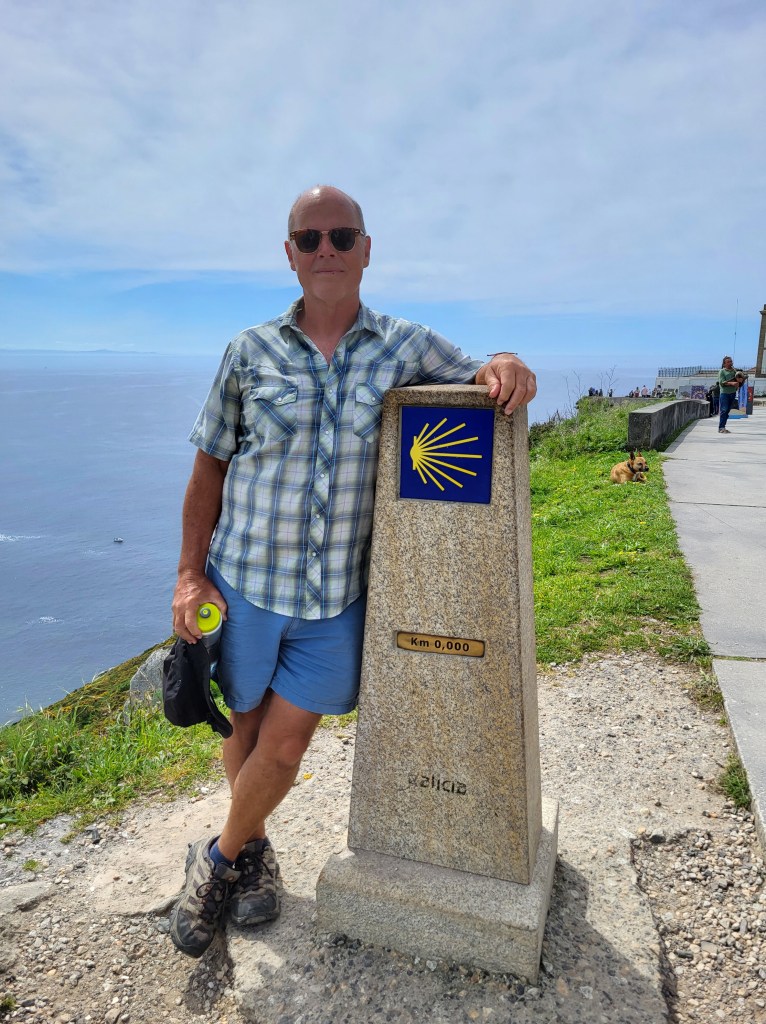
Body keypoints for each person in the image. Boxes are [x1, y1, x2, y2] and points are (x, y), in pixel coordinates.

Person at [167, 185, 537, 958]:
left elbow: (480, 369)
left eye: (341, 236)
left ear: (367, 248)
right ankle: (256, 853)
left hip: (335, 597)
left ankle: (217, 861)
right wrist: (188, 577)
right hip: (243, 586)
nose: (325, 251)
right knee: (244, 725)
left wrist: (507, 362)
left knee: (288, 745)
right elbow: (208, 470)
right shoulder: (248, 352)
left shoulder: (404, 344)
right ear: (290, 254)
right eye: (309, 239)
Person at [718, 355, 741, 433]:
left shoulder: (734, 371)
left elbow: (739, 381)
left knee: (727, 411)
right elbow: (721, 383)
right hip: (725, 393)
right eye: (728, 362)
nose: (730, 363)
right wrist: (732, 383)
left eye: (731, 361)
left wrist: (740, 379)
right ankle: (721, 427)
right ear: (724, 364)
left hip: (732, 393)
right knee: (724, 410)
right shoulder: (722, 371)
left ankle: (723, 426)